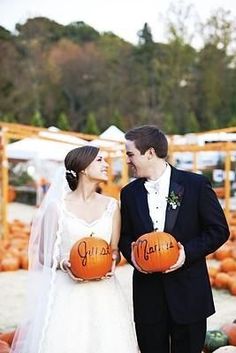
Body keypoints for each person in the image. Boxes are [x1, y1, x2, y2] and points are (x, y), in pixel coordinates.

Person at [11, 145, 139, 353]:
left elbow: (114, 249)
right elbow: (43, 254)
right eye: (99, 160)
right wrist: (64, 263)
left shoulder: (112, 206)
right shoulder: (56, 207)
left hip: (104, 292)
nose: (106, 165)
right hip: (67, 291)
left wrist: (112, 261)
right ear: (83, 168)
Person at [118, 125, 230, 353]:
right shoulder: (128, 193)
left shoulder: (195, 185)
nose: (127, 160)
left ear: (149, 153)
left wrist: (185, 254)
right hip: (148, 297)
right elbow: (124, 236)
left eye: (130, 154)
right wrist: (134, 257)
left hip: (189, 295)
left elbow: (218, 230)